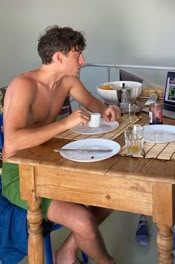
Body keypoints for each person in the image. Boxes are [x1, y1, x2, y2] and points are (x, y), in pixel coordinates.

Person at [2, 25, 120, 264]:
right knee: (83, 220)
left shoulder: (67, 81)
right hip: (21, 173)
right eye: (78, 55)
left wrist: (106, 110)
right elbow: (13, 140)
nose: (83, 60)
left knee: (113, 196)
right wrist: (64, 123)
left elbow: (89, 101)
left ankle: (66, 253)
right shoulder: (24, 86)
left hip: (50, 161)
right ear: (59, 56)